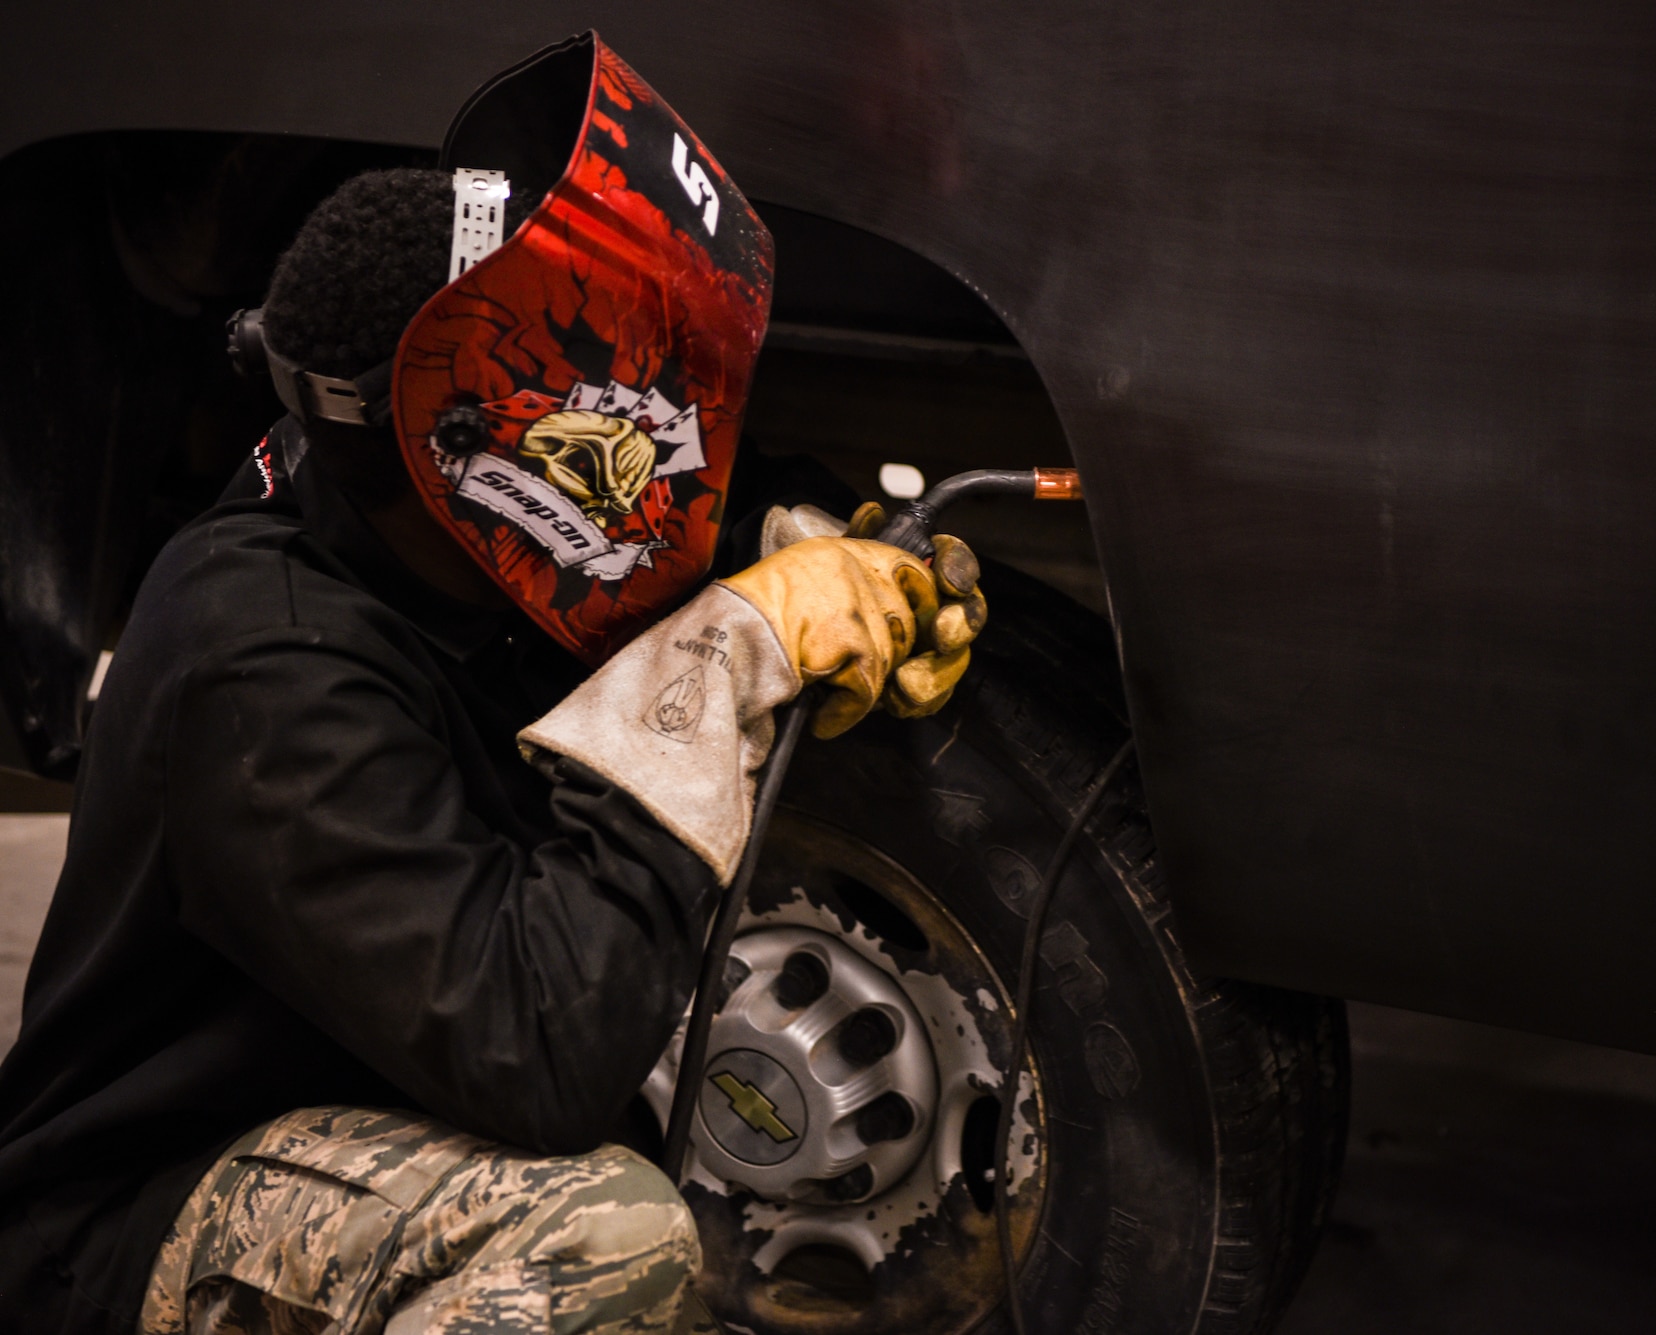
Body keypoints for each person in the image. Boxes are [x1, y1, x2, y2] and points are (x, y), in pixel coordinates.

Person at [0, 32, 983, 1334]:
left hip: (371, 1116)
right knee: (596, 1237)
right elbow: (543, 1057)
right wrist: (721, 661)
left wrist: (792, 558)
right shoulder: (262, 668)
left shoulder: (446, 550)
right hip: (146, 1226)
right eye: (575, 428)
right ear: (449, 451)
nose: (614, 451)